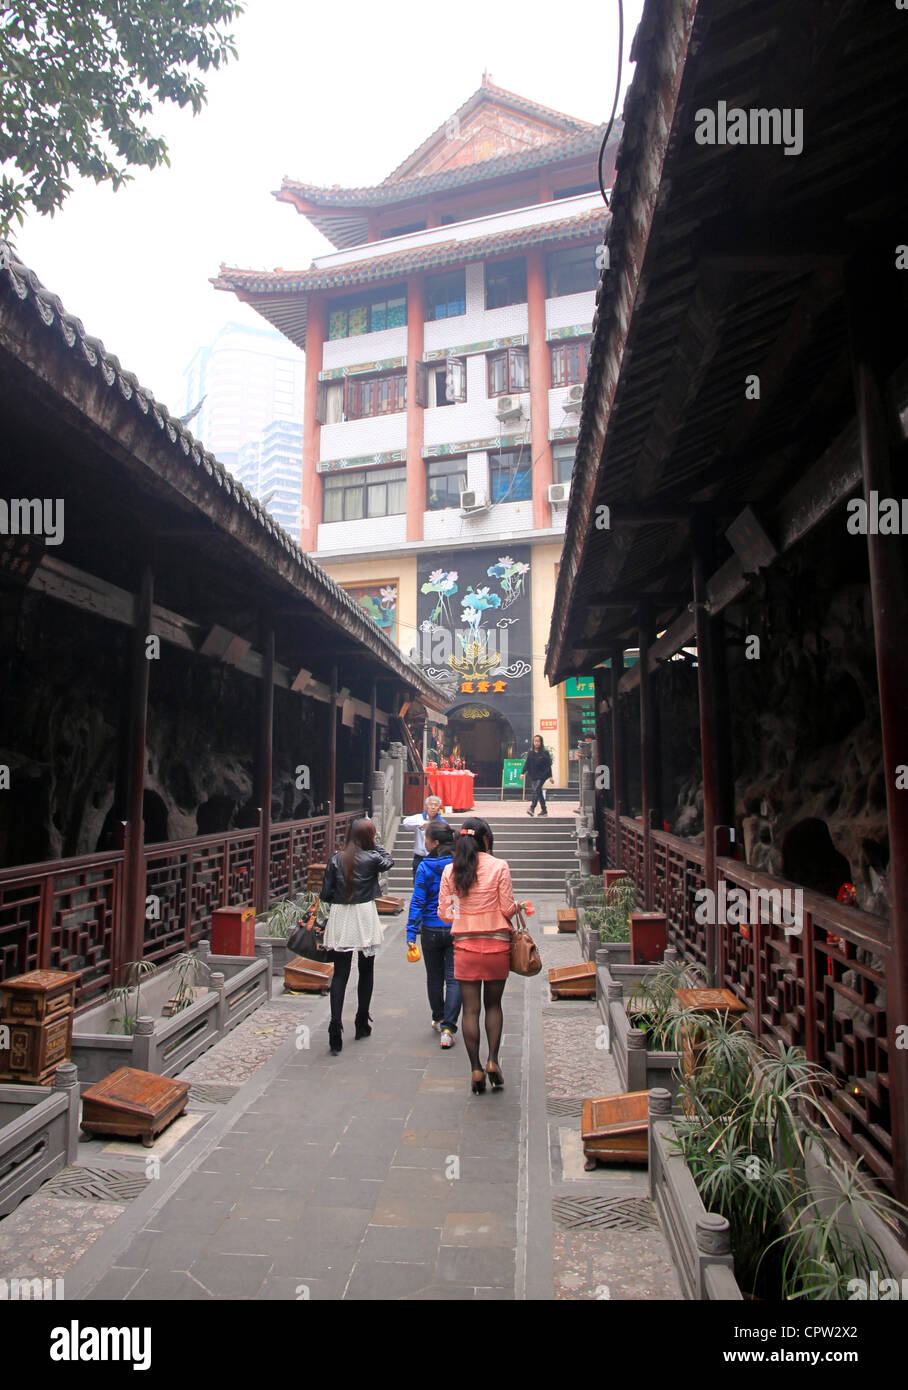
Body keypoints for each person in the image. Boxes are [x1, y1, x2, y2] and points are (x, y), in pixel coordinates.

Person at [437, 816, 520, 1094]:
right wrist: (517, 907)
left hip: (465, 946)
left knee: (470, 1009)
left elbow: (447, 914)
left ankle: (475, 1069)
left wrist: (465, 910)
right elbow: (507, 909)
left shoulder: (451, 871)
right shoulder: (499, 866)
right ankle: (493, 1061)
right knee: (493, 1006)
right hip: (496, 944)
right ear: (486, 840)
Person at [319, 817, 393, 1055]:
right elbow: (388, 861)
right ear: (367, 837)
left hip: (341, 912)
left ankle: (335, 1025)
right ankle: (362, 1021)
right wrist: (377, 843)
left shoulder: (335, 858)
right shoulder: (372, 858)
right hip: (363, 912)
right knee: (366, 970)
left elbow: (325, 893)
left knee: (340, 973)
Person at [406, 823, 461, 1048]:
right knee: (454, 977)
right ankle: (449, 1027)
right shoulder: (459, 865)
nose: (425, 842)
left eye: (427, 839)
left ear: (435, 843)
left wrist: (411, 931)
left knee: (434, 977)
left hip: (429, 927)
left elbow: (418, 900)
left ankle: (438, 1018)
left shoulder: (425, 866)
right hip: (455, 926)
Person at [401, 794, 448, 880]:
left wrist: (431, 825)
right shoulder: (419, 818)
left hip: (435, 858)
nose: (433, 807)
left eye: (436, 805)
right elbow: (405, 823)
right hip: (419, 857)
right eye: (431, 804)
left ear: (439, 808)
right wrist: (422, 824)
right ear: (426, 806)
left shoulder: (442, 822)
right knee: (418, 883)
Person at [522, 734, 553, 816]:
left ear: (541, 742)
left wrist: (550, 776)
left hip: (542, 775)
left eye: (538, 741)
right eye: (535, 741)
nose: (537, 743)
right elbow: (527, 763)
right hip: (533, 775)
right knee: (538, 793)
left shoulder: (545, 753)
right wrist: (522, 773)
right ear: (533, 742)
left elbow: (548, 765)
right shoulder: (530, 753)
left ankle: (532, 808)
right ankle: (544, 811)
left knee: (536, 790)